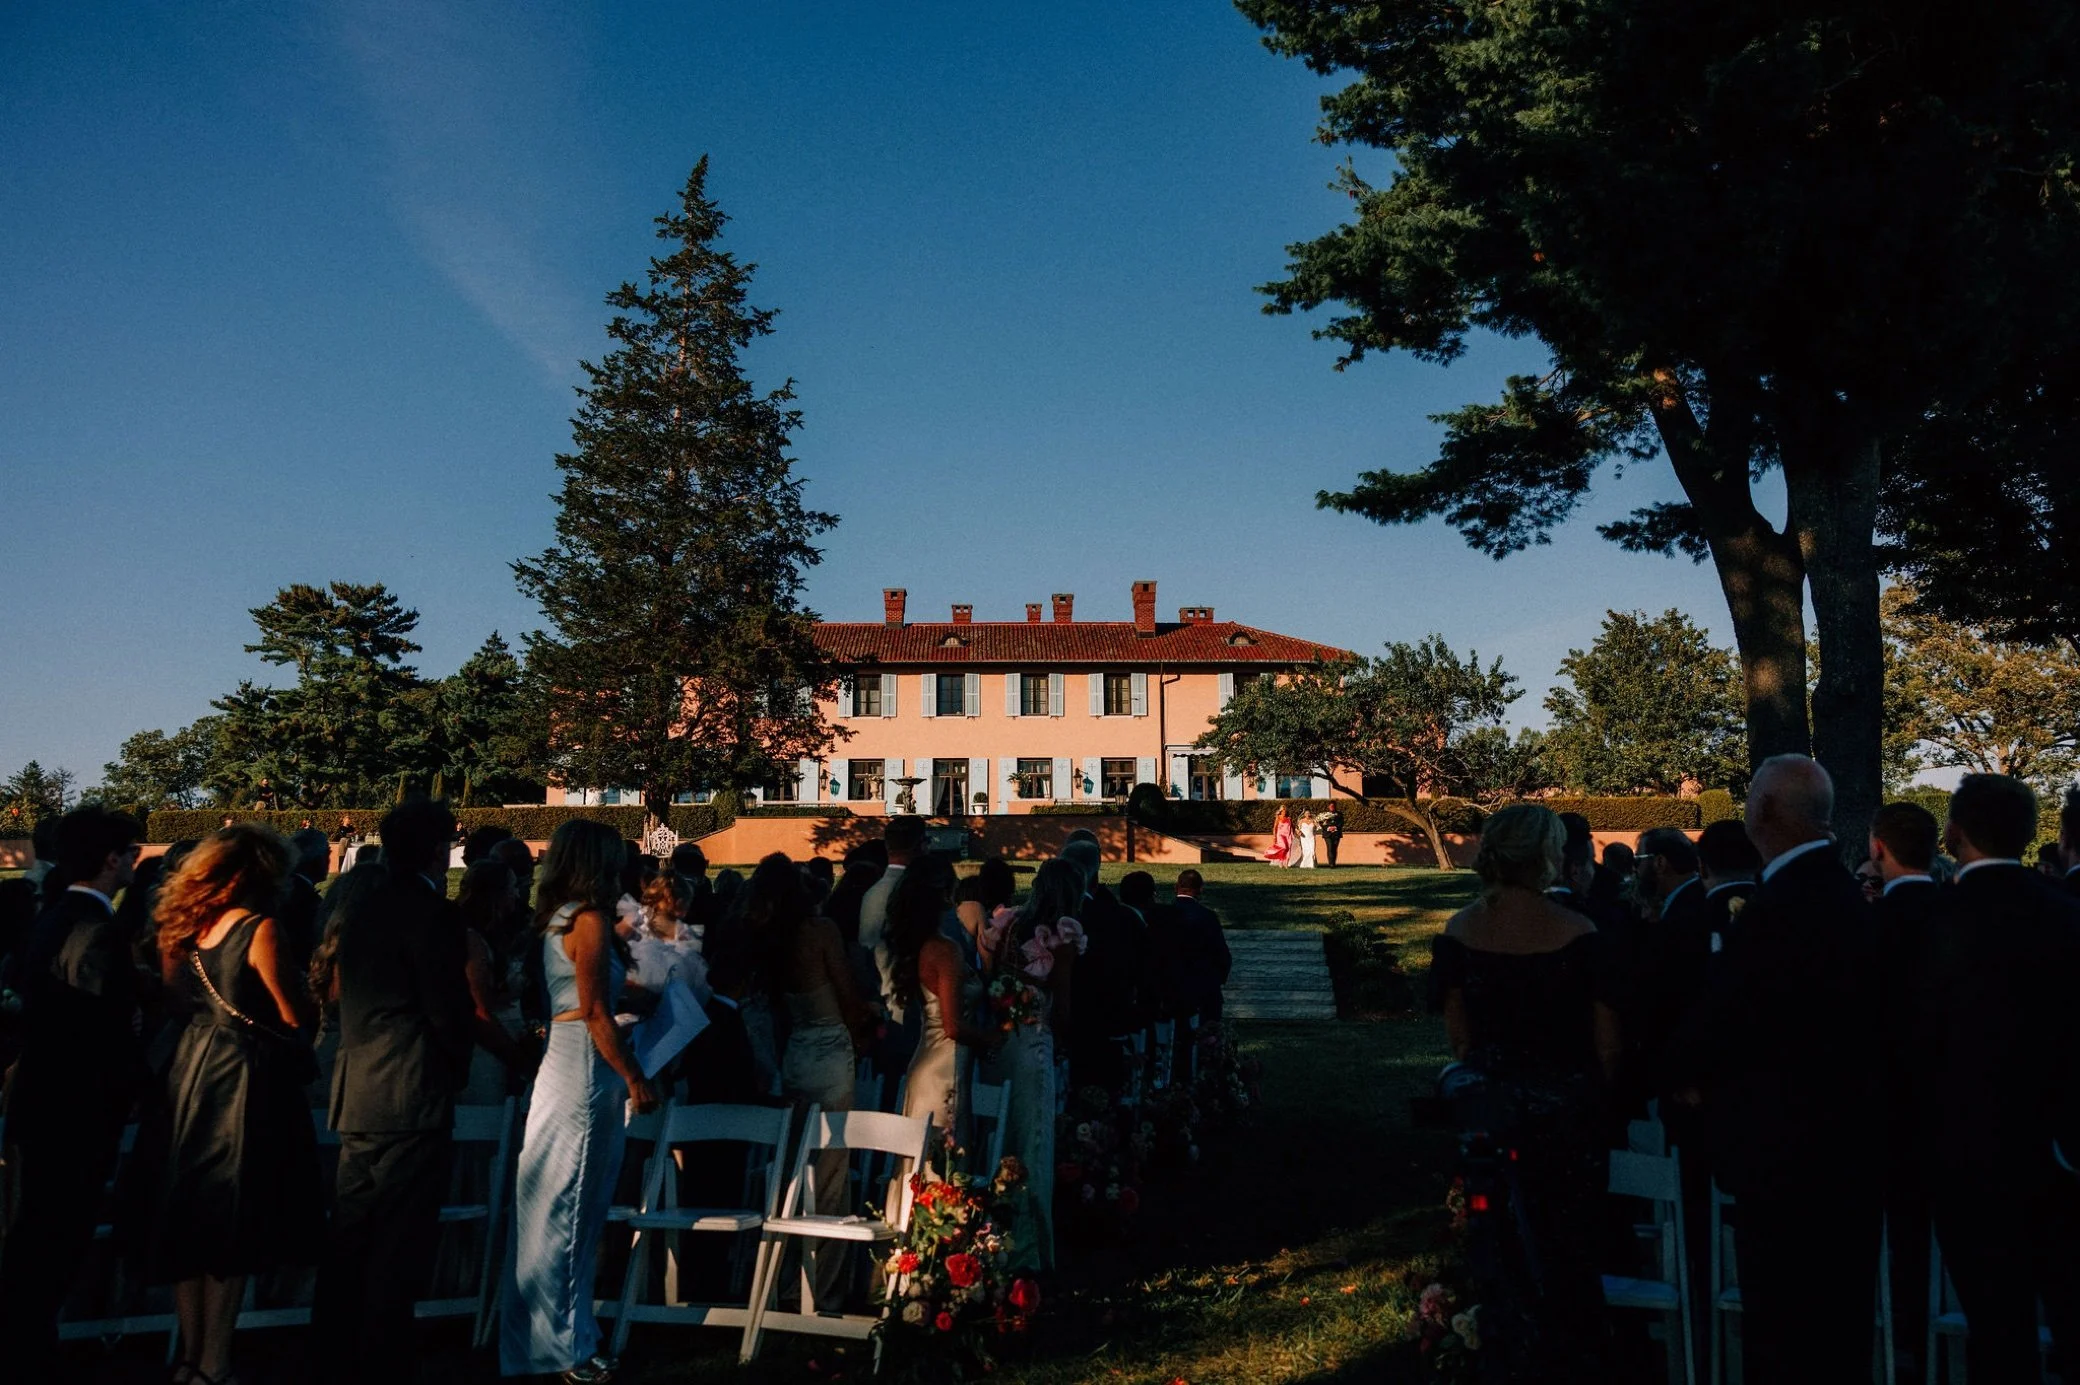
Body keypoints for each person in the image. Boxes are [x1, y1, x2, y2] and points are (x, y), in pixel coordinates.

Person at [1666, 755, 1881, 1385]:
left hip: (1781, 1148)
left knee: (1785, 1325)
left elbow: (1726, 1016)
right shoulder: (1846, 896)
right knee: (1838, 1323)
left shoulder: (1779, 907)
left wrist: (1683, 1072)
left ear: (1762, 813)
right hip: (1850, 1147)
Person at [1428, 805, 1620, 1382]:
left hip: (1493, 1113)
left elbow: (1459, 1037)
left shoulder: (1460, 932)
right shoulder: (1580, 934)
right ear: (1547, 855)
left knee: (1499, 1251)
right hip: (1567, 1117)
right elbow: (1608, 1044)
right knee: (1570, 1252)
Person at [128, 824, 324, 1385]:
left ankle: (190, 1359)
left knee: (187, 1220)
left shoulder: (178, 926)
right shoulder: (260, 928)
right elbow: (291, 1013)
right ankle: (216, 1361)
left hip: (188, 1071)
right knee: (234, 1221)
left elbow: (172, 1000)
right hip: (243, 1077)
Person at [1917, 776, 2080, 1381]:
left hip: (1968, 1154)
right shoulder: (2066, 915)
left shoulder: (1932, 922)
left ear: (1954, 832)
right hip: (2059, 1151)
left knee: (1996, 1326)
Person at [312, 799, 476, 1385]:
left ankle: (335, 1352)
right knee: (400, 1239)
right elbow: (447, 1007)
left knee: (353, 1230)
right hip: (411, 1084)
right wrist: (454, 1064)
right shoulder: (431, 912)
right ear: (438, 849)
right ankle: (383, 1359)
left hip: (360, 1085)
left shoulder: (362, 908)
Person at [502, 820, 660, 1382]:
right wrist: (635, 1076)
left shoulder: (560, 917)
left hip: (566, 1064)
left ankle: (551, 1342)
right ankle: (566, 1351)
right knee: (571, 1207)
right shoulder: (588, 920)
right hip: (585, 1070)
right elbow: (593, 1010)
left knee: (557, 1208)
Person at [0, 806, 145, 1375]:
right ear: (111, 858)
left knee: (33, 1242)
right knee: (51, 1246)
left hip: (42, 1103)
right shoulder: (95, 930)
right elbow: (93, 1032)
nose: (136, 860)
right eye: (132, 851)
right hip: (73, 1114)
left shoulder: (55, 917)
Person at [757, 852, 875, 1309]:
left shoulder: (770, 936)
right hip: (828, 1054)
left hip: (795, 1054)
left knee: (794, 1171)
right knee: (830, 1171)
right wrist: (869, 1017)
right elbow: (848, 996)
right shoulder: (819, 932)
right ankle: (819, 1288)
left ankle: (790, 1279)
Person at [980, 858, 1085, 1272]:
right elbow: (1063, 1009)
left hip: (999, 1040)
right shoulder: (1063, 935)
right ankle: (1028, 1250)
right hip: (1034, 1045)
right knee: (1032, 1142)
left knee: (997, 1137)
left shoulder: (1010, 925)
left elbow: (989, 976)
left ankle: (990, 1239)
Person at [1867, 800, 1941, 1373]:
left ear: (1878, 848)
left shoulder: (1868, 929)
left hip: (1885, 1108)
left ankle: (1904, 1335)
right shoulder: (1960, 916)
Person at [887, 858, 995, 1158]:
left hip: (926, 1058)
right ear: (945, 894)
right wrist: (992, 1038)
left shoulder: (922, 945)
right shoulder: (946, 950)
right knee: (943, 1160)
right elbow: (953, 1025)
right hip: (945, 1068)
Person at [1061, 834, 1146, 1101]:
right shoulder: (1119, 917)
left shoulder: (1048, 914)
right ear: (1096, 874)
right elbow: (1138, 971)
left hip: (1063, 1025)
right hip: (1108, 1021)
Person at [456, 860, 539, 1103]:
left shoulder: (500, 932)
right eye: (512, 887)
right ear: (494, 893)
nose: (517, 893)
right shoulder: (473, 941)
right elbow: (479, 1008)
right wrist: (520, 1060)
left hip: (505, 1040)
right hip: (487, 1050)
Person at [1169, 869, 1231, 1087]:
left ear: (1177, 887)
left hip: (1171, 991)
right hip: (1204, 989)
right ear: (1200, 890)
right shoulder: (1207, 917)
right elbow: (1222, 956)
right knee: (1206, 1043)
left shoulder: (1165, 915)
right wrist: (1215, 980)